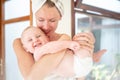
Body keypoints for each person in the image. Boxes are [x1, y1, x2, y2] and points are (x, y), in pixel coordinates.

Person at [13, 0, 106, 80]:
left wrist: (90, 40)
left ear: (60, 17)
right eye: (40, 20)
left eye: (52, 20)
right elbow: (32, 78)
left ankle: (93, 55)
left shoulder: (64, 38)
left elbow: (76, 65)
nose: (46, 27)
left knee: (82, 39)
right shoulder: (21, 43)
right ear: (35, 17)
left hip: (77, 67)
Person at [21, 26, 93, 78]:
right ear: (26, 48)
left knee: (85, 40)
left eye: (38, 36)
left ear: (46, 37)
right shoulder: (38, 53)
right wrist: (68, 44)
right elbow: (52, 47)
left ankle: (94, 54)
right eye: (30, 40)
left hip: (77, 65)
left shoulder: (49, 46)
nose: (35, 40)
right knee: (82, 38)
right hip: (78, 65)